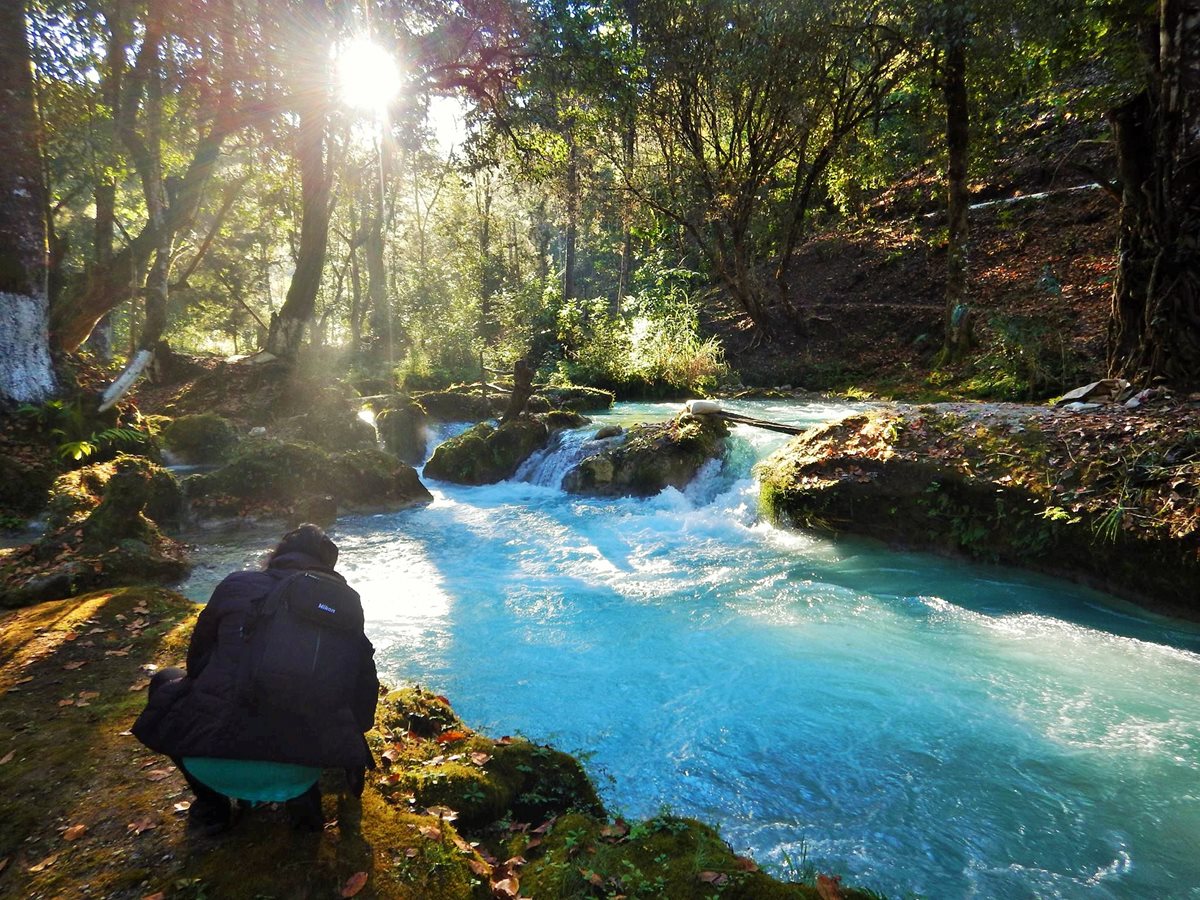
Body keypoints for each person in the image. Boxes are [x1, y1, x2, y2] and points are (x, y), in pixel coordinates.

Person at [133, 524, 378, 835]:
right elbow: (362, 701)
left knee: (166, 679)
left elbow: (196, 665)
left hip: (208, 761)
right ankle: (304, 806)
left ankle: (212, 810)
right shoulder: (344, 608)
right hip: (300, 772)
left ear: (277, 554)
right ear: (328, 565)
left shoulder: (236, 584)